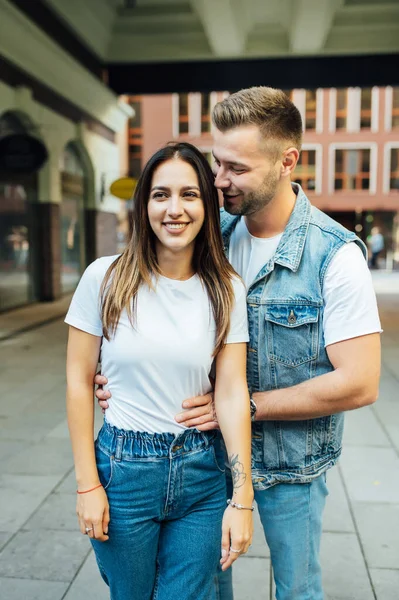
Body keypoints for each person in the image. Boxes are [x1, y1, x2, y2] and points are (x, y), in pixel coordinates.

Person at [96, 87, 382, 600]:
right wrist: (123, 374)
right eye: (216, 162)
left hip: (291, 467)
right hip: (203, 462)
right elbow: (155, 306)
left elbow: (360, 382)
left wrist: (245, 406)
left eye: (236, 168)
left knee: (295, 591)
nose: (218, 180)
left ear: (287, 161)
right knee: (208, 588)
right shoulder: (212, 231)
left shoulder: (334, 256)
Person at [65, 142, 254, 600]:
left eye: (189, 194)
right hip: (123, 474)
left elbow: (230, 392)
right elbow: (77, 379)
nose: (175, 209)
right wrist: (87, 484)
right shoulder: (104, 278)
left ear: (207, 206)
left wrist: (242, 500)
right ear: (143, 204)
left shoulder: (226, 288)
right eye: (160, 194)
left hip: (202, 476)